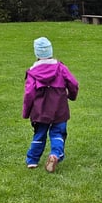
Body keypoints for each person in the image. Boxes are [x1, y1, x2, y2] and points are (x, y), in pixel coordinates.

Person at [23, 37, 79, 172]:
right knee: (58, 133)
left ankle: (32, 160)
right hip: (59, 108)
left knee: (39, 134)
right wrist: (72, 95)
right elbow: (74, 83)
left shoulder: (32, 72)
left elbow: (29, 93)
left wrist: (26, 112)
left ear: (37, 53)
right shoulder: (61, 68)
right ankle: (55, 154)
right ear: (50, 51)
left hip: (40, 110)